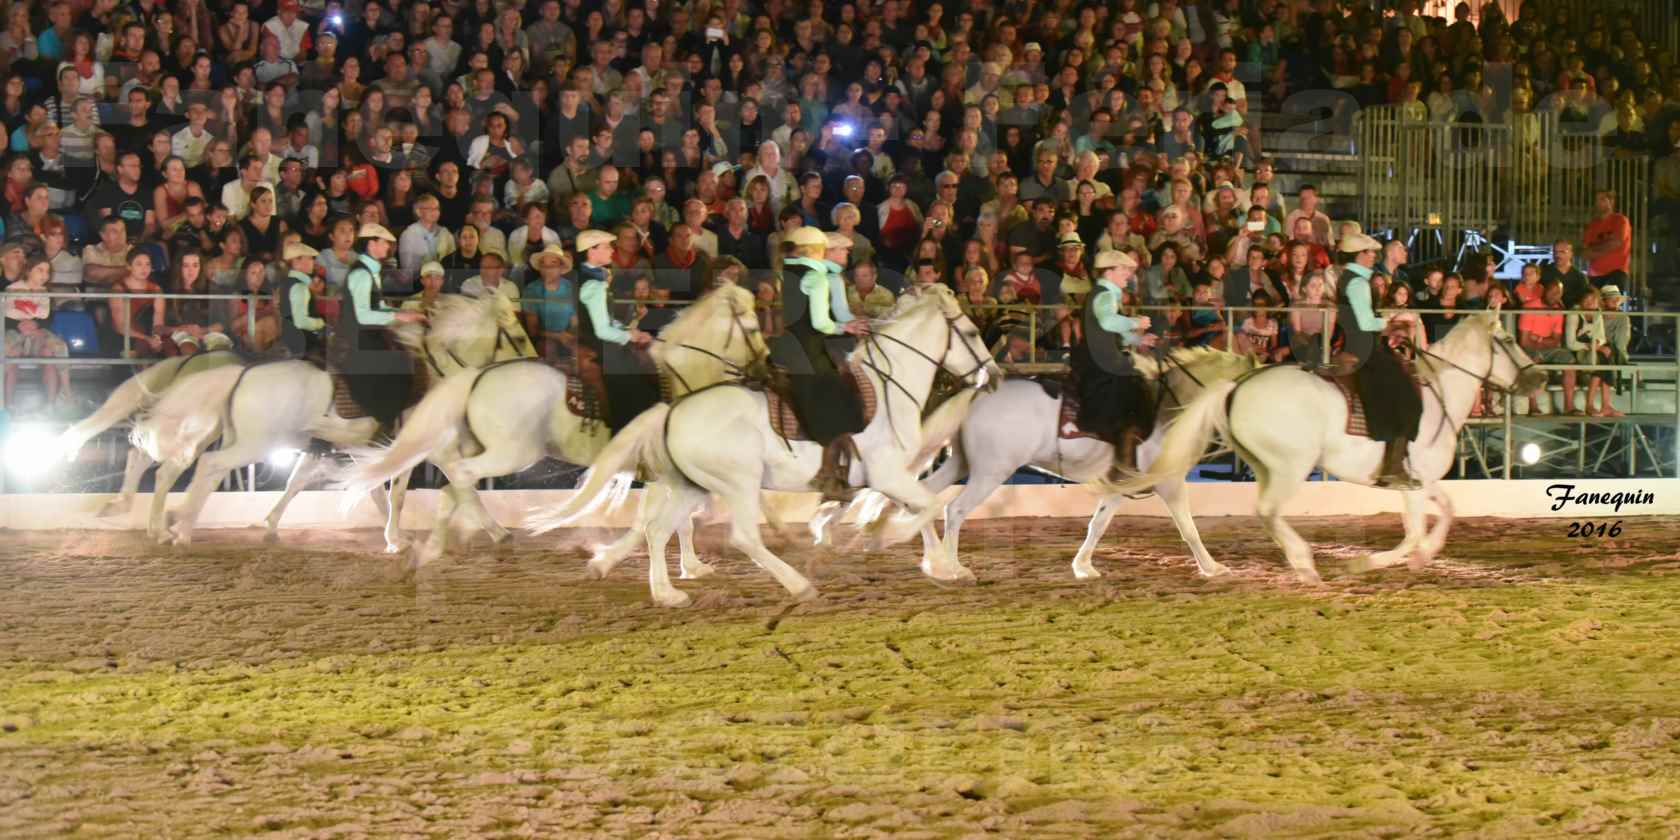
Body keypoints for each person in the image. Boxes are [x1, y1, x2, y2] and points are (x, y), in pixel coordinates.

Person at [769, 225, 870, 496]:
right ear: (815, 250)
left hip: (788, 349)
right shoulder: (817, 277)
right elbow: (821, 323)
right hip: (809, 350)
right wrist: (845, 328)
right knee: (842, 400)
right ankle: (828, 472)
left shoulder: (787, 271)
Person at [1329, 233, 1423, 489]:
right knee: (1409, 398)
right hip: (1366, 351)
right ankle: (1392, 468)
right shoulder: (1358, 283)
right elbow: (1366, 322)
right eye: (1370, 252)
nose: (1373, 256)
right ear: (1360, 254)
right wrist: (1393, 324)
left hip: (1360, 346)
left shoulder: (1349, 278)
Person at [329, 223, 424, 429]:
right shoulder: (362, 274)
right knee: (398, 365)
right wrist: (398, 315)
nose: (388, 247)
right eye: (384, 243)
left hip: (367, 334)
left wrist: (402, 314)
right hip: (358, 338)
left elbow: (377, 306)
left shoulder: (370, 271)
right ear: (371, 244)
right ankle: (385, 421)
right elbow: (363, 316)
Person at [1072, 249, 1157, 480]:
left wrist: (1139, 339)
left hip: (1103, 360)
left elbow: (1111, 334)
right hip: (1104, 365)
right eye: (1124, 270)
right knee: (1135, 401)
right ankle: (1124, 467)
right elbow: (1108, 322)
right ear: (1109, 272)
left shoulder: (1105, 295)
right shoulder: (1105, 295)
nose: (1128, 275)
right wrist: (1134, 321)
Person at [572, 229, 659, 431]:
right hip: (600, 345)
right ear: (591, 251)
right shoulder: (593, 285)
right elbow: (602, 330)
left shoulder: (593, 278)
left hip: (597, 338)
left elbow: (608, 319)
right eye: (606, 246)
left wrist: (630, 331)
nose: (612, 250)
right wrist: (629, 336)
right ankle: (622, 429)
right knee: (634, 392)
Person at [278, 241, 327, 360]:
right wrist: (322, 322)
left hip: (293, 340)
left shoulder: (287, 283)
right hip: (303, 344)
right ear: (296, 261)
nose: (313, 262)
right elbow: (300, 321)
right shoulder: (299, 287)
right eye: (309, 258)